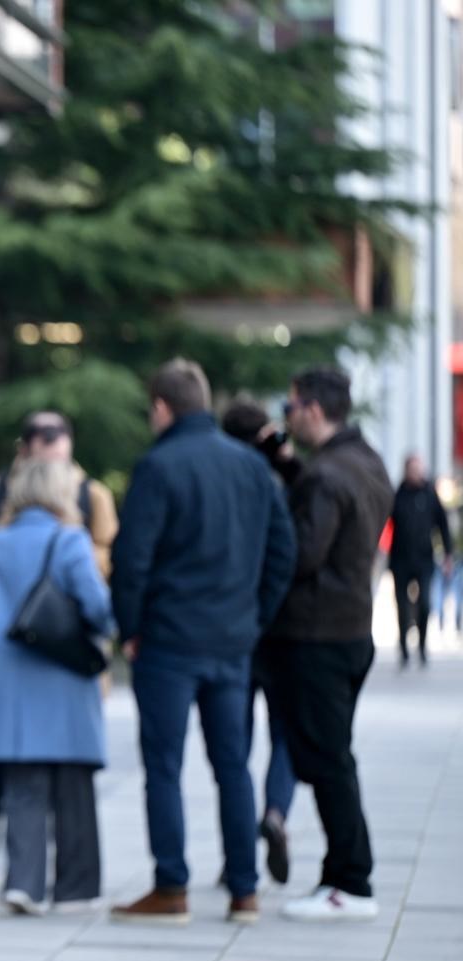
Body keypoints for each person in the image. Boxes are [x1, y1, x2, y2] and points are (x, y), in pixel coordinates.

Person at [109, 360, 295, 926]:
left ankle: (172, 888)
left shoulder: (158, 466)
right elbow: (282, 553)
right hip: (232, 641)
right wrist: (253, 617)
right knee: (232, 766)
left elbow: (131, 561)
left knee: (164, 765)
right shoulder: (252, 468)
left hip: (167, 641)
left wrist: (130, 629)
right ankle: (244, 890)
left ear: (162, 407)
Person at [0, 411, 118, 893]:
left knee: (21, 782)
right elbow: (99, 609)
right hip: (64, 677)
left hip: (4, 684)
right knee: (72, 783)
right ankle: (75, 888)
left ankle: (23, 883)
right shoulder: (70, 541)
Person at [273, 367, 393, 921]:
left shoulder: (327, 476)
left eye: (291, 406)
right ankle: (340, 875)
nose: (287, 414)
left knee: (328, 761)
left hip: (318, 634)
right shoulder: (366, 462)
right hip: (351, 630)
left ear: (313, 410)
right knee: (331, 756)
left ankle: (351, 880)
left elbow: (303, 554)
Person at [219, 400, 299, 884]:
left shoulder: (225, 481)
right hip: (283, 628)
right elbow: (288, 551)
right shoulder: (285, 483)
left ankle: (237, 856)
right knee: (284, 734)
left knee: (235, 745)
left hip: (235, 628)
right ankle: (275, 814)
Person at [389, 454, 452, 669]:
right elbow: (386, 524)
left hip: (424, 558)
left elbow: (442, 525)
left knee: (424, 602)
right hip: (400, 558)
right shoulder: (398, 494)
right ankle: (404, 647)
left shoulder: (429, 494)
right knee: (402, 604)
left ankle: (423, 645)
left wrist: (447, 554)